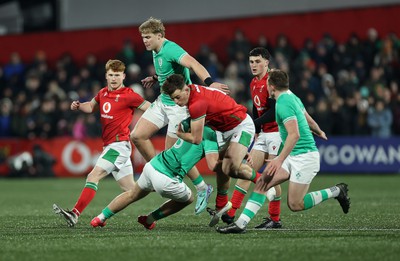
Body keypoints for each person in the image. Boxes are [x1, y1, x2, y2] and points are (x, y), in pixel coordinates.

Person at [216, 69, 351, 234]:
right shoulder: (292, 97)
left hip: (305, 158)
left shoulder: (282, 104)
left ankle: (337, 191)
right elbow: (307, 117)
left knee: (295, 204)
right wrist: (318, 130)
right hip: (293, 155)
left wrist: (278, 160)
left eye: (267, 84)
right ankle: (240, 224)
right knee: (262, 183)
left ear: (271, 87)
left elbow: (294, 135)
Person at [130, 17, 228, 215]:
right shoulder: (156, 51)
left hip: (178, 106)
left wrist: (210, 82)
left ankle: (201, 187)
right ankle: (159, 171)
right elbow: (169, 69)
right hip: (162, 102)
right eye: (143, 38)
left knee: (172, 155)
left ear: (160, 36)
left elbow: (192, 63)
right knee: (137, 136)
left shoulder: (171, 48)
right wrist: (156, 78)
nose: (145, 41)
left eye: (148, 37)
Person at [53, 59, 150, 227]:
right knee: (132, 191)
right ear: (106, 76)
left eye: (117, 75)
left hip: (118, 146)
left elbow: (150, 108)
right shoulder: (103, 93)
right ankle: (150, 217)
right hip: (113, 146)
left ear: (123, 76)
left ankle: (75, 213)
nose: (114, 78)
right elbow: (90, 107)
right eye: (111, 75)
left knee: (93, 176)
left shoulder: (129, 95)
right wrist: (78, 106)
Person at [162, 74, 260, 227]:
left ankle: (262, 181)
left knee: (230, 167)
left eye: (177, 97)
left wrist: (180, 134)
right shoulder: (192, 91)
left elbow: (196, 139)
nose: (176, 102)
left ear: (186, 89)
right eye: (173, 99)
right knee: (217, 166)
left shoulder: (196, 103)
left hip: (240, 125)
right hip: (222, 129)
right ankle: (221, 205)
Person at [90, 123, 219, 229]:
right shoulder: (212, 137)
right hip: (166, 178)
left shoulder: (193, 124)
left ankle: (99, 218)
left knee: (132, 194)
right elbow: (212, 163)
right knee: (188, 198)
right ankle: (149, 219)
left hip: (152, 166)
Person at [222, 47, 283, 229]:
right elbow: (258, 109)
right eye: (251, 62)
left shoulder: (273, 80)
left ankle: (275, 218)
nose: (254, 65)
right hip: (264, 134)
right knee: (246, 170)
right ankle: (231, 213)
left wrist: (252, 123)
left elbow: (274, 112)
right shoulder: (253, 82)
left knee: (270, 177)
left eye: (257, 61)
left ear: (267, 62)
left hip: (278, 133)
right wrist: (256, 128)